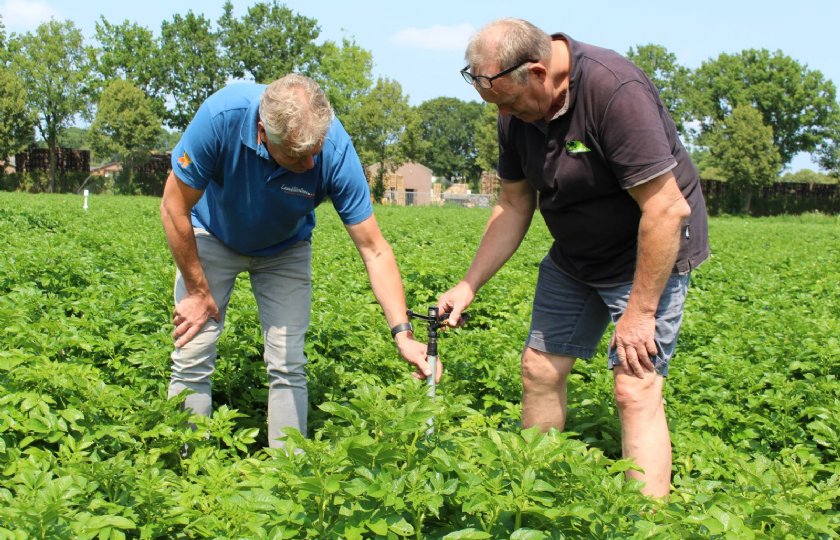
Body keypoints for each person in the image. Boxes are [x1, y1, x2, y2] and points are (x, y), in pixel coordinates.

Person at [438, 19, 709, 498]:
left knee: (634, 387)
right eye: (495, 104)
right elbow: (514, 203)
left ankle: (647, 526)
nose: (503, 114)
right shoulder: (512, 107)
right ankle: (535, 495)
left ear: (540, 73)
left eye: (509, 103)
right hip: (575, 257)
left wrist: (640, 312)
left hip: (646, 254)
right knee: (539, 369)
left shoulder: (613, 91)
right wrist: (468, 284)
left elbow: (667, 209)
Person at [160, 74, 433, 448]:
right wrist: (196, 290)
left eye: (314, 152)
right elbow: (173, 206)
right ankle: (186, 464)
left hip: (284, 248)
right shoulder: (222, 116)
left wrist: (403, 334)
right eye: (294, 155)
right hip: (212, 233)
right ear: (261, 132)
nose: (308, 165)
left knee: (288, 363)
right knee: (193, 349)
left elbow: (375, 249)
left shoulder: (335, 150)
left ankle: (288, 480)